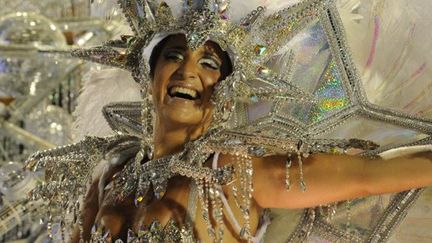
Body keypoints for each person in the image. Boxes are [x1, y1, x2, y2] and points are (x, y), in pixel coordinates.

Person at [26, 0, 432, 242]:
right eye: (173, 56)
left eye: (208, 63)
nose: (189, 72)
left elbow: (371, 175)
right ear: (147, 76)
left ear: (223, 89)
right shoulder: (111, 174)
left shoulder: (236, 175)